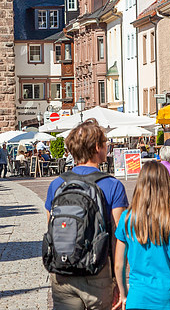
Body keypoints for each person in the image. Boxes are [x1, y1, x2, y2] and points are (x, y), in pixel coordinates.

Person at [46, 120, 128, 309]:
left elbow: (51, 230)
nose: (107, 147)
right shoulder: (113, 185)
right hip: (97, 272)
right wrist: (119, 281)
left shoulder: (57, 185)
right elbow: (119, 239)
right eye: (105, 143)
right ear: (97, 147)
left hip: (62, 272)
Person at [114, 161, 170, 310]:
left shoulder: (127, 218)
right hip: (168, 296)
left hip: (137, 297)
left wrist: (123, 294)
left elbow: (119, 264)